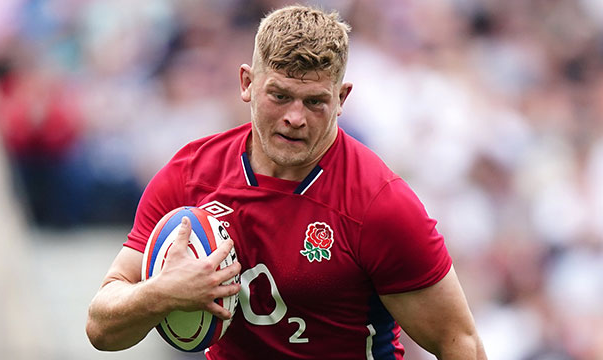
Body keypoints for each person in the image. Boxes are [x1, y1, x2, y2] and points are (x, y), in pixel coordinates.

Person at [86, 5, 487, 359]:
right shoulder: (191, 175)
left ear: (341, 98)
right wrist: (160, 294)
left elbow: (460, 343)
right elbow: (100, 328)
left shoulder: (378, 203)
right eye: (279, 96)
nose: (295, 117)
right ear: (247, 84)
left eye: (315, 102)